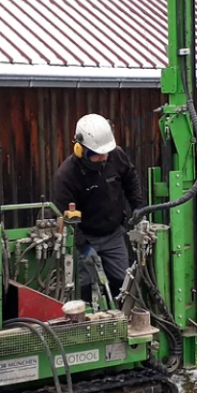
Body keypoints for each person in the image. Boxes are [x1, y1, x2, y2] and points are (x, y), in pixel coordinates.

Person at [52, 113, 144, 305]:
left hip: (113, 234)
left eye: (106, 153)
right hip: (85, 237)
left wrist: (137, 206)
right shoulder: (66, 176)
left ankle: (122, 322)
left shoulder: (116, 155)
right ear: (80, 150)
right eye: (97, 154)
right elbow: (64, 220)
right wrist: (84, 247)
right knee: (83, 287)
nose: (103, 157)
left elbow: (130, 178)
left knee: (123, 284)